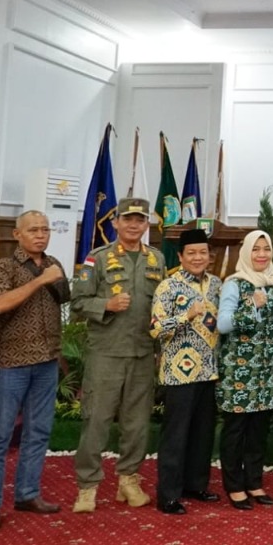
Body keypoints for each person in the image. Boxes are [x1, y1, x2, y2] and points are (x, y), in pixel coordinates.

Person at [70, 197, 167, 513]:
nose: (134, 225)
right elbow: (77, 303)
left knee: (137, 423)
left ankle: (129, 479)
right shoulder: (97, 259)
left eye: (140, 220)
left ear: (146, 224)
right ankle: (87, 487)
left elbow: (162, 307)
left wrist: (160, 350)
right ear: (116, 223)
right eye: (128, 219)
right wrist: (106, 305)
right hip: (107, 353)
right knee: (96, 420)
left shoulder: (157, 259)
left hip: (142, 352)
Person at [0, 211, 71, 531]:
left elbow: (64, 298)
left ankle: (28, 494)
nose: (41, 235)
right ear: (18, 234)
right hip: (10, 363)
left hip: (46, 361)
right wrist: (40, 280)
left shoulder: (53, 263)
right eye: (33, 230)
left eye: (45, 229)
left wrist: (56, 277)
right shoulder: (4, 266)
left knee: (39, 432)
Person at [217, 229, 273, 510]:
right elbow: (223, 325)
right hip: (239, 369)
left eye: (266, 249)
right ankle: (234, 486)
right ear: (246, 253)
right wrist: (251, 305)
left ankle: (254, 482)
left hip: (267, 368)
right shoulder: (235, 284)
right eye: (256, 249)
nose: (261, 255)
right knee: (236, 429)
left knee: (259, 429)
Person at [150, 228, 221, 514]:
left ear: (209, 256)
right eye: (191, 253)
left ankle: (196, 485)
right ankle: (168, 494)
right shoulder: (168, 286)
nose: (197, 257)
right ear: (180, 256)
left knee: (202, 434)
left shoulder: (216, 284)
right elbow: (156, 328)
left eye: (202, 252)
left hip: (209, 372)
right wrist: (185, 315)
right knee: (175, 436)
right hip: (179, 374)